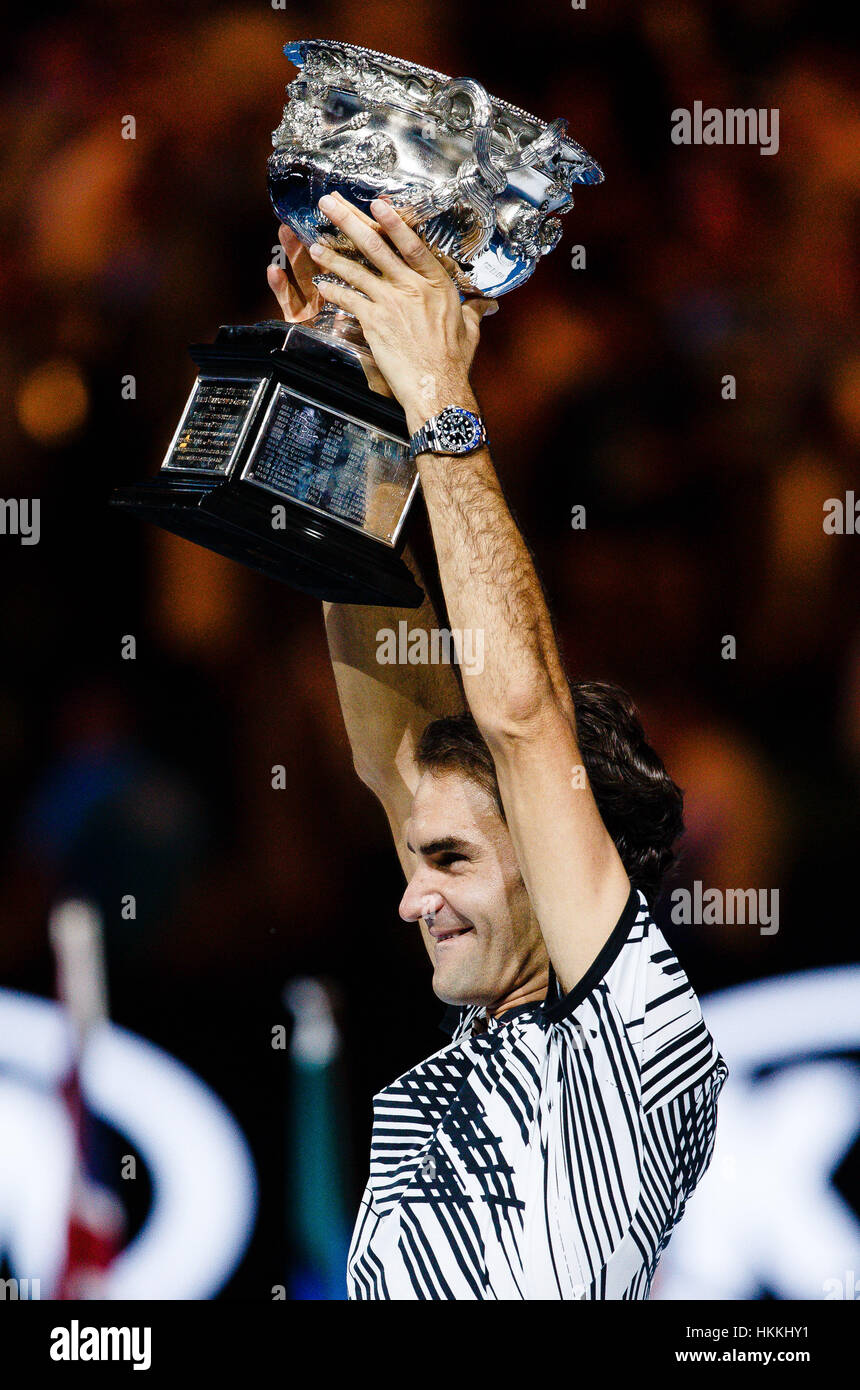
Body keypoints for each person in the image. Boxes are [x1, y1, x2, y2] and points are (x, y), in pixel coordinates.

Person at [267, 193, 728, 1300]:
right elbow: (388, 738)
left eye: (453, 859)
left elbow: (522, 721)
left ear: (557, 845)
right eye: (423, 859)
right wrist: (346, 388)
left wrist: (438, 392)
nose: (408, 896)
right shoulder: (468, 1054)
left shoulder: (634, 1046)